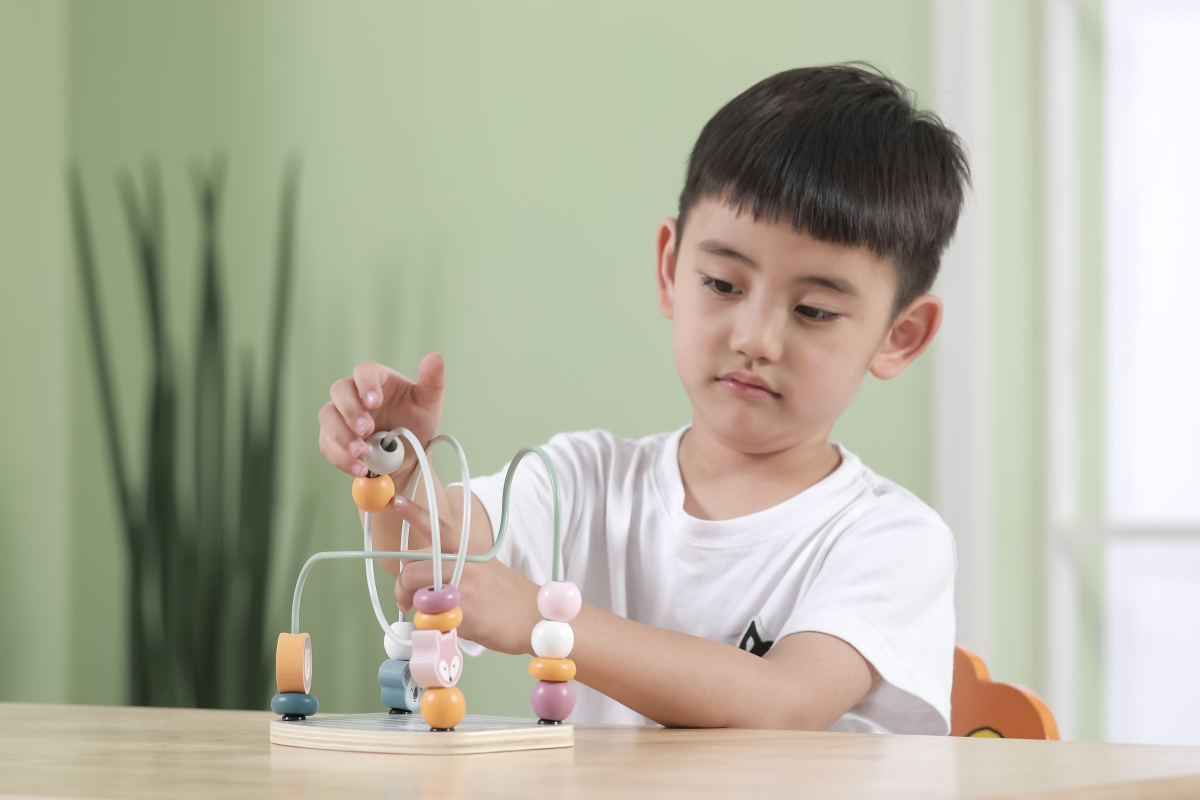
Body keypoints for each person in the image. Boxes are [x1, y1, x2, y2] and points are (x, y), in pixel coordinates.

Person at [317, 64, 968, 733]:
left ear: (900, 336)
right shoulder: (583, 482)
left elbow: (785, 703)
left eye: (814, 311)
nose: (755, 339)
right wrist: (398, 462)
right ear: (669, 268)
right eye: (722, 284)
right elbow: (434, 559)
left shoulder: (893, 540)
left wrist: (543, 616)